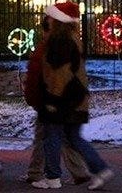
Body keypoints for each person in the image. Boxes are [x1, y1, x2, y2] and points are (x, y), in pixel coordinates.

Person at [33, 1, 114, 190]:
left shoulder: (60, 42)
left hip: (62, 99)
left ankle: (52, 177)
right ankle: (101, 170)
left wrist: (52, 99)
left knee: (52, 136)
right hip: (76, 98)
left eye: (52, 17)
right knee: (73, 137)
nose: (48, 20)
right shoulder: (71, 38)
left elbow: (59, 74)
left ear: (59, 20)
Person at [20, 15, 91, 185]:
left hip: (50, 99)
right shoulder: (69, 43)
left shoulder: (47, 47)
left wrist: (37, 98)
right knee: (60, 135)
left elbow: (39, 76)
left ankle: (44, 174)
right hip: (66, 98)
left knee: (48, 135)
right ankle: (77, 171)